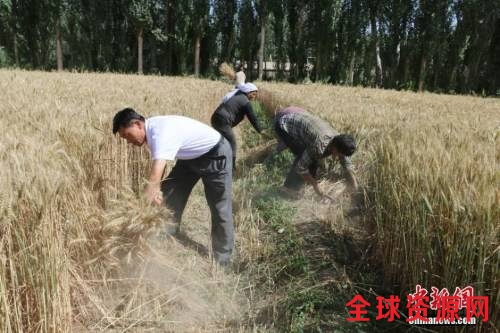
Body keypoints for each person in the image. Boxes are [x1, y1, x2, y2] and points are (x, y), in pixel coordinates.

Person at [112, 108, 234, 266]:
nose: (129, 142)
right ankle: (166, 232)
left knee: (219, 205)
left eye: (127, 135)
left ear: (137, 124)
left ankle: (223, 258)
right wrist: (156, 191)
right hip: (189, 157)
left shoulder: (160, 133)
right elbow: (159, 172)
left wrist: (141, 212)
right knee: (170, 191)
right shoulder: (150, 131)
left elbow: (154, 176)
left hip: (215, 154)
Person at [274, 107, 358, 200]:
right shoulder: (319, 146)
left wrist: (354, 185)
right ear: (334, 148)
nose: (339, 157)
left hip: (299, 121)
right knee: (303, 155)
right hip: (284, 125)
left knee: (312, 159)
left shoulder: (339, 141)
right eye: (339, 154)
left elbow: (346, 163)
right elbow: (301, 168)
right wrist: (316, 186)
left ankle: (304, 181)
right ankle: (288, 189)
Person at [211, 82, 263, 168]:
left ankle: (215, 163)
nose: (254, 97)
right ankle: (231, 168)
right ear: (248, 92)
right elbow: (252, 118)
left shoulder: (237, 95)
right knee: (232, 143)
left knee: (220, 142)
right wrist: (261, 131)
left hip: (216, 118)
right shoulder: (244, 100)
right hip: (223, 121)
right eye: (253, 94)